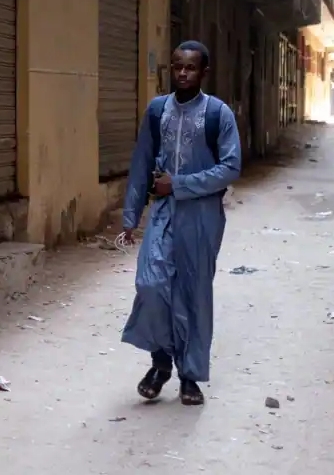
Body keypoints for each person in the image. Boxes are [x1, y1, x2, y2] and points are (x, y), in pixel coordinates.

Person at [117, 41, 242, 406]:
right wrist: (130, 217)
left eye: (190, 68)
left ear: (204, 72)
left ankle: (189, 376)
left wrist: (181, 184)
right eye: (177, 67)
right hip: (163, 213)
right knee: (151, 284)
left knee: (193, 293)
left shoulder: (219, 114)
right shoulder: (157, 111)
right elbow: (141, 163)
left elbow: (231, 167)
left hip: (202, 217)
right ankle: (161, 361)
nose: (183, 73)